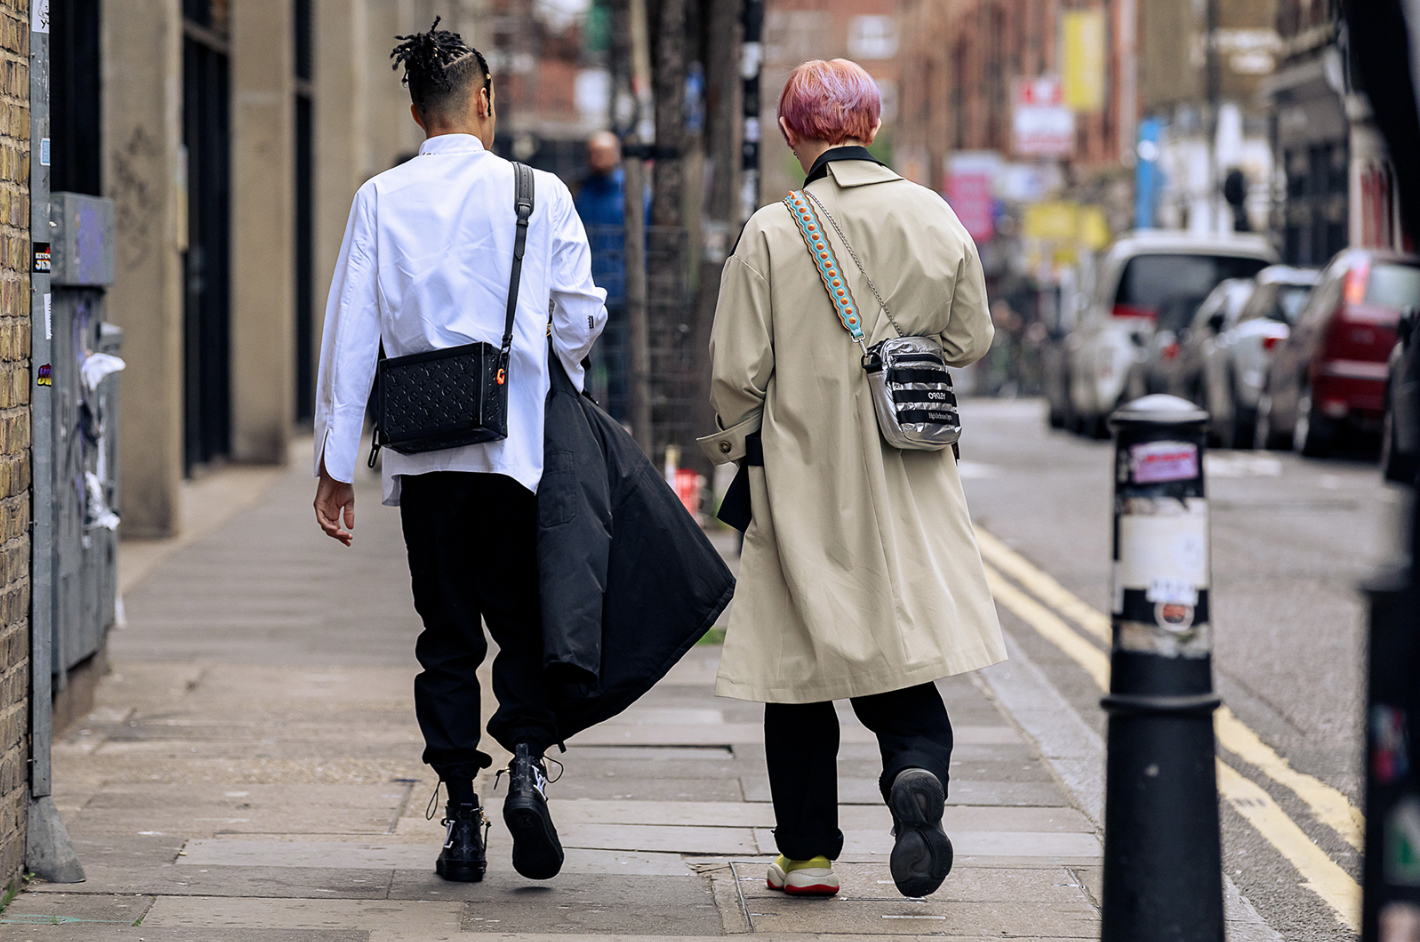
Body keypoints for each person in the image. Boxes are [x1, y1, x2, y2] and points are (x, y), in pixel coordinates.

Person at [699, 58, 1006, 900]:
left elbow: (736, 372)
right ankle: (915, 773)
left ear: (795, 136)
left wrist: (737, 447)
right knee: (900, 652)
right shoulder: (935, 216)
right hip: (905, 471)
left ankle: (806, 857)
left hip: (802, 479)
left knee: (794, 673)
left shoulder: (770, 231)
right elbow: (971, 338)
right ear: (870, 129)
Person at [311, 19, 607, 884]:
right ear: (485, 102)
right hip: (515, 458)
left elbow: (352, 334)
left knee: (445, 640)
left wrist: (336, 463)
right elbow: (581, 315)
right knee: (522, 626)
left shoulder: (379, 197)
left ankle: (463, 818)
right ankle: (524, 766)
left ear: (414, 112)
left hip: (424, 456)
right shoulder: (537, 192)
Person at [574, 132, 631, 421]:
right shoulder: (583, 194)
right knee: (590, 364)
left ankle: (620, 421)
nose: (596, 158)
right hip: (587, 294)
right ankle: (593, 418)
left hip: (620, 294)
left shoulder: (629, 195)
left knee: (619, 365)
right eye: (592, 151)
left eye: (602, 152)